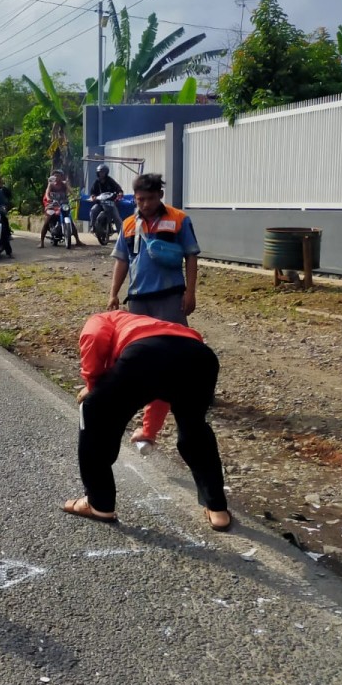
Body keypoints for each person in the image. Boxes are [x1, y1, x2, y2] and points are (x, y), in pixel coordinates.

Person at [62, 310, 231, 532]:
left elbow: (95, 337)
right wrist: (148, 430)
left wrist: (93, 385)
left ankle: (98, 503)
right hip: (200, 358)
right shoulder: (150, 326)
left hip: (143, 355)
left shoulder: (102, 318)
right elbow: (163, 388)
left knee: (93, 413)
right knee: (194, 428)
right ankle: (217, 509)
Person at [108, 173, 202, 448]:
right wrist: (114, 293)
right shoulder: (128, 224)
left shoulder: (179, 220)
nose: (145, 204)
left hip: (170, 296)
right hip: (138, 298)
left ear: (159, 196)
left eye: (149, 198)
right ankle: (145, 393)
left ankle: (189, 392)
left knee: (180, 347)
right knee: (139, 351)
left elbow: (191, 256)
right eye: (139, 199)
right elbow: (122, 261)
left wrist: (191, 291)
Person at [40, 170, 83, 247]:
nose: (56, 177)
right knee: (47, 220)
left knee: (70, 220)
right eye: (55, 175)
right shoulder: (51, 184)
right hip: (52, 205)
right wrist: (48, 198)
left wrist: (75, 197)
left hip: (63, 204)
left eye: (58, 175)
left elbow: (70, 190)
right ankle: (41, 242)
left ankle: (78, 241)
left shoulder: (64, 184)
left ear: (62, 177)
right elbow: (47, 192)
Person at [89, 165, 123, 231]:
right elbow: (92, 192)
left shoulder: (110, 181)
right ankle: (93, 226)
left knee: (117, 218)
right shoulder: (96, 182)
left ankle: (121, 235)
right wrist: (93, 196)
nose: (101, 174)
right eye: (100, 172)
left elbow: (118, 188)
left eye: (103, 172)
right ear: (97, 173)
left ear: (106, 173)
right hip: (100, 203)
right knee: (93, 210)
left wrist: (120, 193)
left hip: (110, 203)